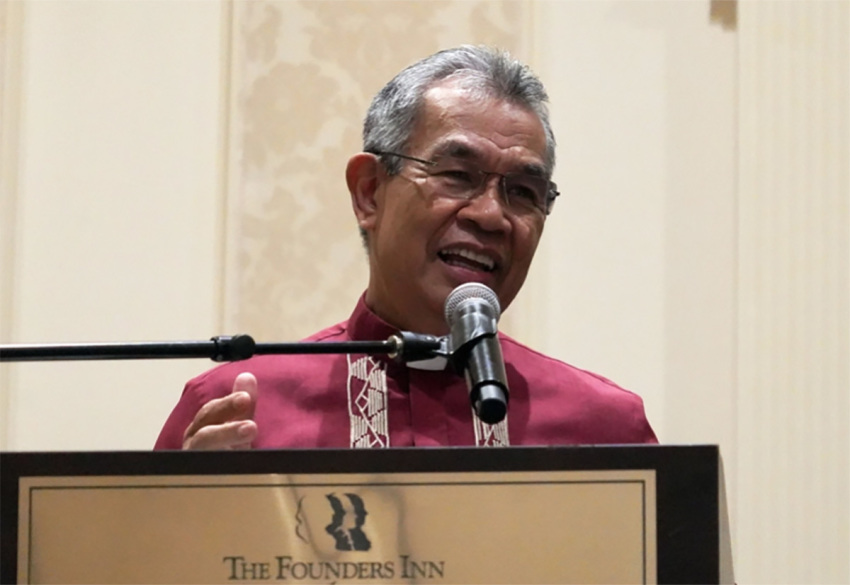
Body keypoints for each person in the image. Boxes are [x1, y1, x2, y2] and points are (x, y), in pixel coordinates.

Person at [155, 46, 657, 451]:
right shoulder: (235, 410)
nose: (490, 215)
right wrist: (201, 521)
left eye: (523, 192)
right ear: (369, 192)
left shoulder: (606, 430)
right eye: (457, 176)